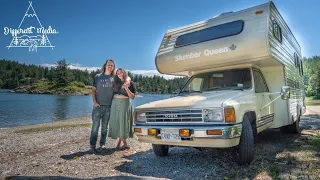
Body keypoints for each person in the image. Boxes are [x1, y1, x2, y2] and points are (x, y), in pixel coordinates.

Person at [90, 59, 115, 152]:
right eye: (109, 65)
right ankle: (92, 145)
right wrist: (94, 102)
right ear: (105, 65)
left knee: (105, 127)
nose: (110, 66)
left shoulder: (114, 78)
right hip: (98, 106)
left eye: (112, 65)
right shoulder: (97, 77)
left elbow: (124, 80)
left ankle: (102, 144)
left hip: (108, 106)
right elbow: (93, 90)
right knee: (95, 127)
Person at [108, 68, 136, 150]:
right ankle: (121, 143)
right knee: (117, 121)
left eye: (121, 72)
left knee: (122, 122)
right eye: (118, 73)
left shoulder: (130, 83)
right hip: (115, 103)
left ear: (124, 73)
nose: (120, 74)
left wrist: (126, 88)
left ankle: (123, 144)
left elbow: (132, 97)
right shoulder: (115, 82)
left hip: (125, 103)